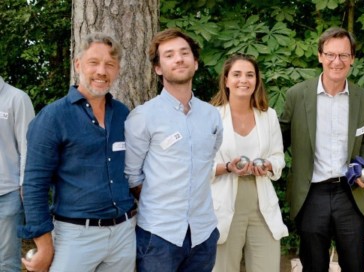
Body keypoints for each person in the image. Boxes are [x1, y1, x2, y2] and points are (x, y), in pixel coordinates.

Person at [19, 32, 136, 272]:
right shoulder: (53, 117)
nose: (102, 71)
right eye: (94, 62)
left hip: (124, 234)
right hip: (75, 237)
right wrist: (43, 245)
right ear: (78, 64)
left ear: (117, 70)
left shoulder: (124, 114)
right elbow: (33, 186)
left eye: (110, 65)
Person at [125, 28, 223, 272]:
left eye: (184, 53)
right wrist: (163, 205)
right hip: (158, 237)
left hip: (203, 234)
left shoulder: (212, 116)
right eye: (169, 55)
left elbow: (207, 162)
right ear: (158, 68)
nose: (179, 59)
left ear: (196, 62)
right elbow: (131, 175)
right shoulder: (143, 117)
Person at [280, 27, 364, 272]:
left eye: (344, 55)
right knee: (313, 266)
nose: (337, 61)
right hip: (311, 194)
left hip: (350, 194)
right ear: (320, 56)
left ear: (353, 58)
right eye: (330, 54)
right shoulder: (296, 95)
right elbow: (279, 139)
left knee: (355, 265)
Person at [209, 54, 288, 272]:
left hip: (261, 203)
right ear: (226, 80)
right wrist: (227, 167)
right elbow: (200, 166)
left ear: (256, 81)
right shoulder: (211, 117)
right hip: (224, 204)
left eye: (250, 75)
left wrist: (267, 165)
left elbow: (278, 157)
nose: (243, 80)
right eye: (236, 74)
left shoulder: (268, 116)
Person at [0, 76, 35, 272]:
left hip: (8, 194)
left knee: (7, 262)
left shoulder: (17, 98)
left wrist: (25, 186)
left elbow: (27, 146)